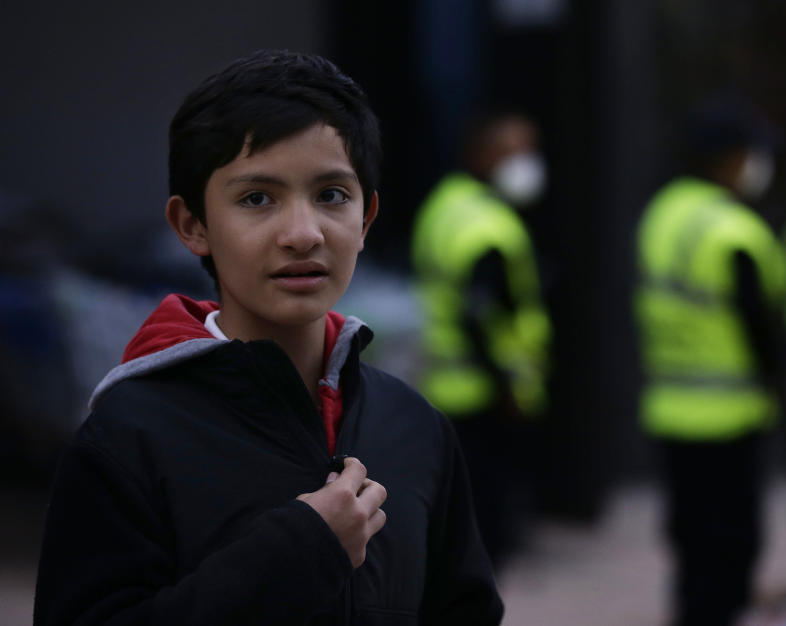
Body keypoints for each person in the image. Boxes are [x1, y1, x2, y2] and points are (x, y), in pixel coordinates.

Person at [32, 50, 504, 626]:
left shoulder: (415, 427)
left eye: (332, 195)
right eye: (257, 198)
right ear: (193, 225)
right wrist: (298, 553)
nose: (303, 234)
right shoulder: (127, 437)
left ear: (367, 218)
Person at [634, 97, 786, 625]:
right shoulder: (734, 230)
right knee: (731, 546)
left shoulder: (661, 214)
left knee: (690, 538)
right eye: (750, 153)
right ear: (727, 159)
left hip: (671, 405)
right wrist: (778, 382)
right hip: (730, 414)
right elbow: (761, 329)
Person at [410, 111, 551, 568]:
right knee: (486, 527)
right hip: (482, 394)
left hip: (443, 384)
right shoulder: (486, 225)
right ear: (481, 154)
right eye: (513, 151)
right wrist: (505, 382)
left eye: (530, 150)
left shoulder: (445, 204)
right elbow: (479, 313)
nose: (526, 162)